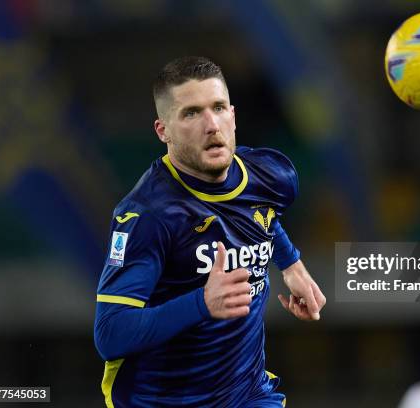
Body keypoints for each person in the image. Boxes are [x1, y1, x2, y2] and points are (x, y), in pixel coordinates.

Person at [93, 56, 326, 407]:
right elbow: (110, 334)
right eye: (191, 113)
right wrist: (201, 303)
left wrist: (291, 264)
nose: (211, 125)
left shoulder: (271, 175)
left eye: (218, 108)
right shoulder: (148, 215)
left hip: (247, 395)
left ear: (233, 114)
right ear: (163, 131)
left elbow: (264, 216)